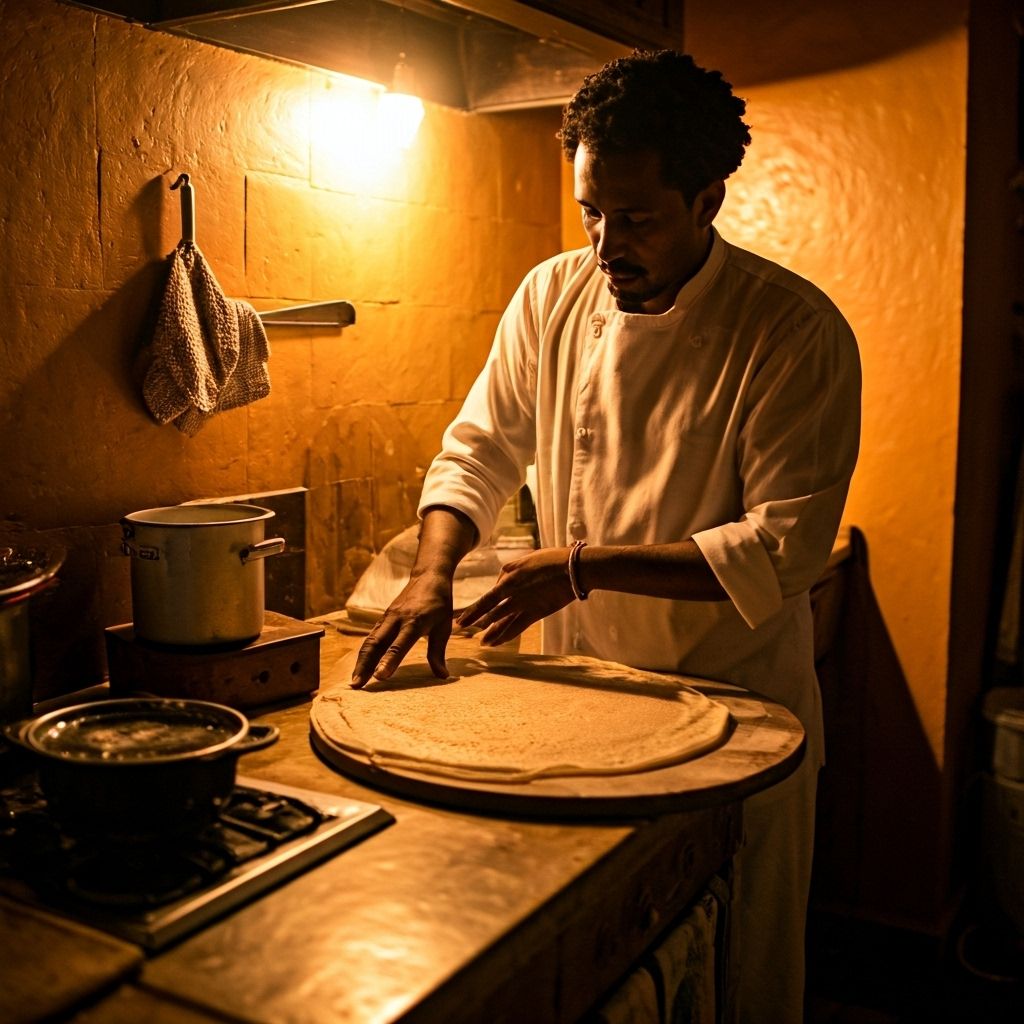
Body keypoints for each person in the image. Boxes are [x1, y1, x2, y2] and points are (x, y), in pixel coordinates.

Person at [352, 49, 861, 1023]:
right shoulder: (552, 297)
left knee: (737, 975)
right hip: (578, 702)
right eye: (589, 212)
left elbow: (782, 548)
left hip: (731, 711)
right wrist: (429, 574)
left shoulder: (791, 332)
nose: (602, 245)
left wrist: (580, 569)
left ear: (707, 200)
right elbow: (479, 448)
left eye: (634, 219)